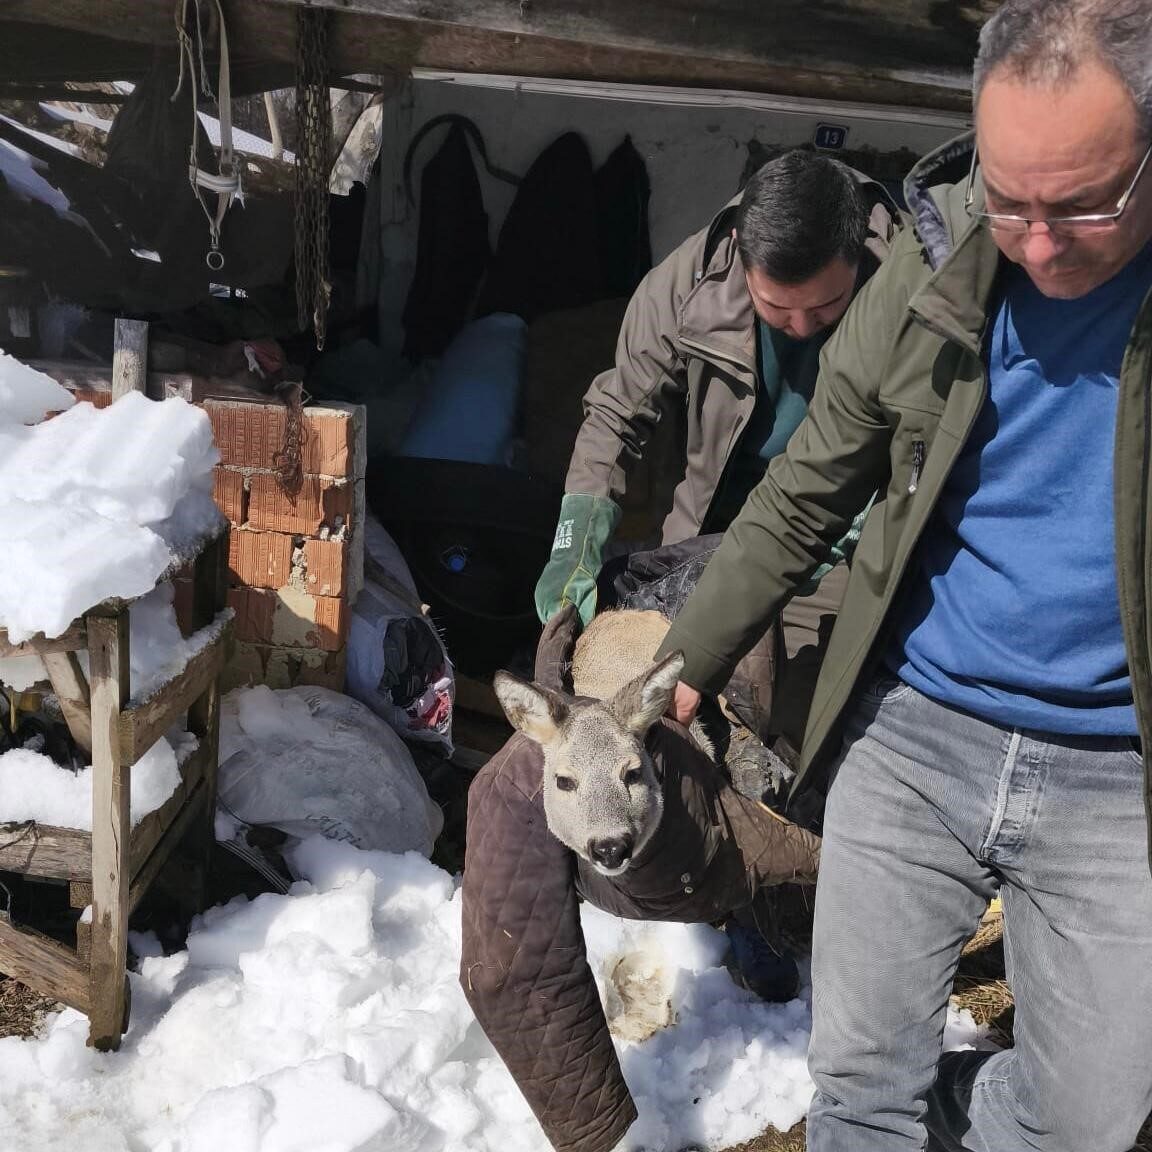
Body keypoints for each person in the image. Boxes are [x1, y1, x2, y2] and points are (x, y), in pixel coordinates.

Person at [657, 1, 1152, 1149]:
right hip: (920, 732)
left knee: (1089, 1123)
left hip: (1113, 774)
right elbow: (807, 487)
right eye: (1010, 196)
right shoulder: (938, 259)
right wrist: (682, 667)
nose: (1036, 241)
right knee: (859, 1094)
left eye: (1083, 203)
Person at [534, 150, 904, 752]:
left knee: (794, 721)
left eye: (827, 307)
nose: (803, 327)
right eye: (777, 308)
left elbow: (917, 452)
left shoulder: (909, 292)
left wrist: (851, 527)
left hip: (838, 551)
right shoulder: (690, 281)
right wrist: (573, 542)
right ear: (739, 252)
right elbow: (615, 413)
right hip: (709, 528)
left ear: (859, 251)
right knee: (663, 715)